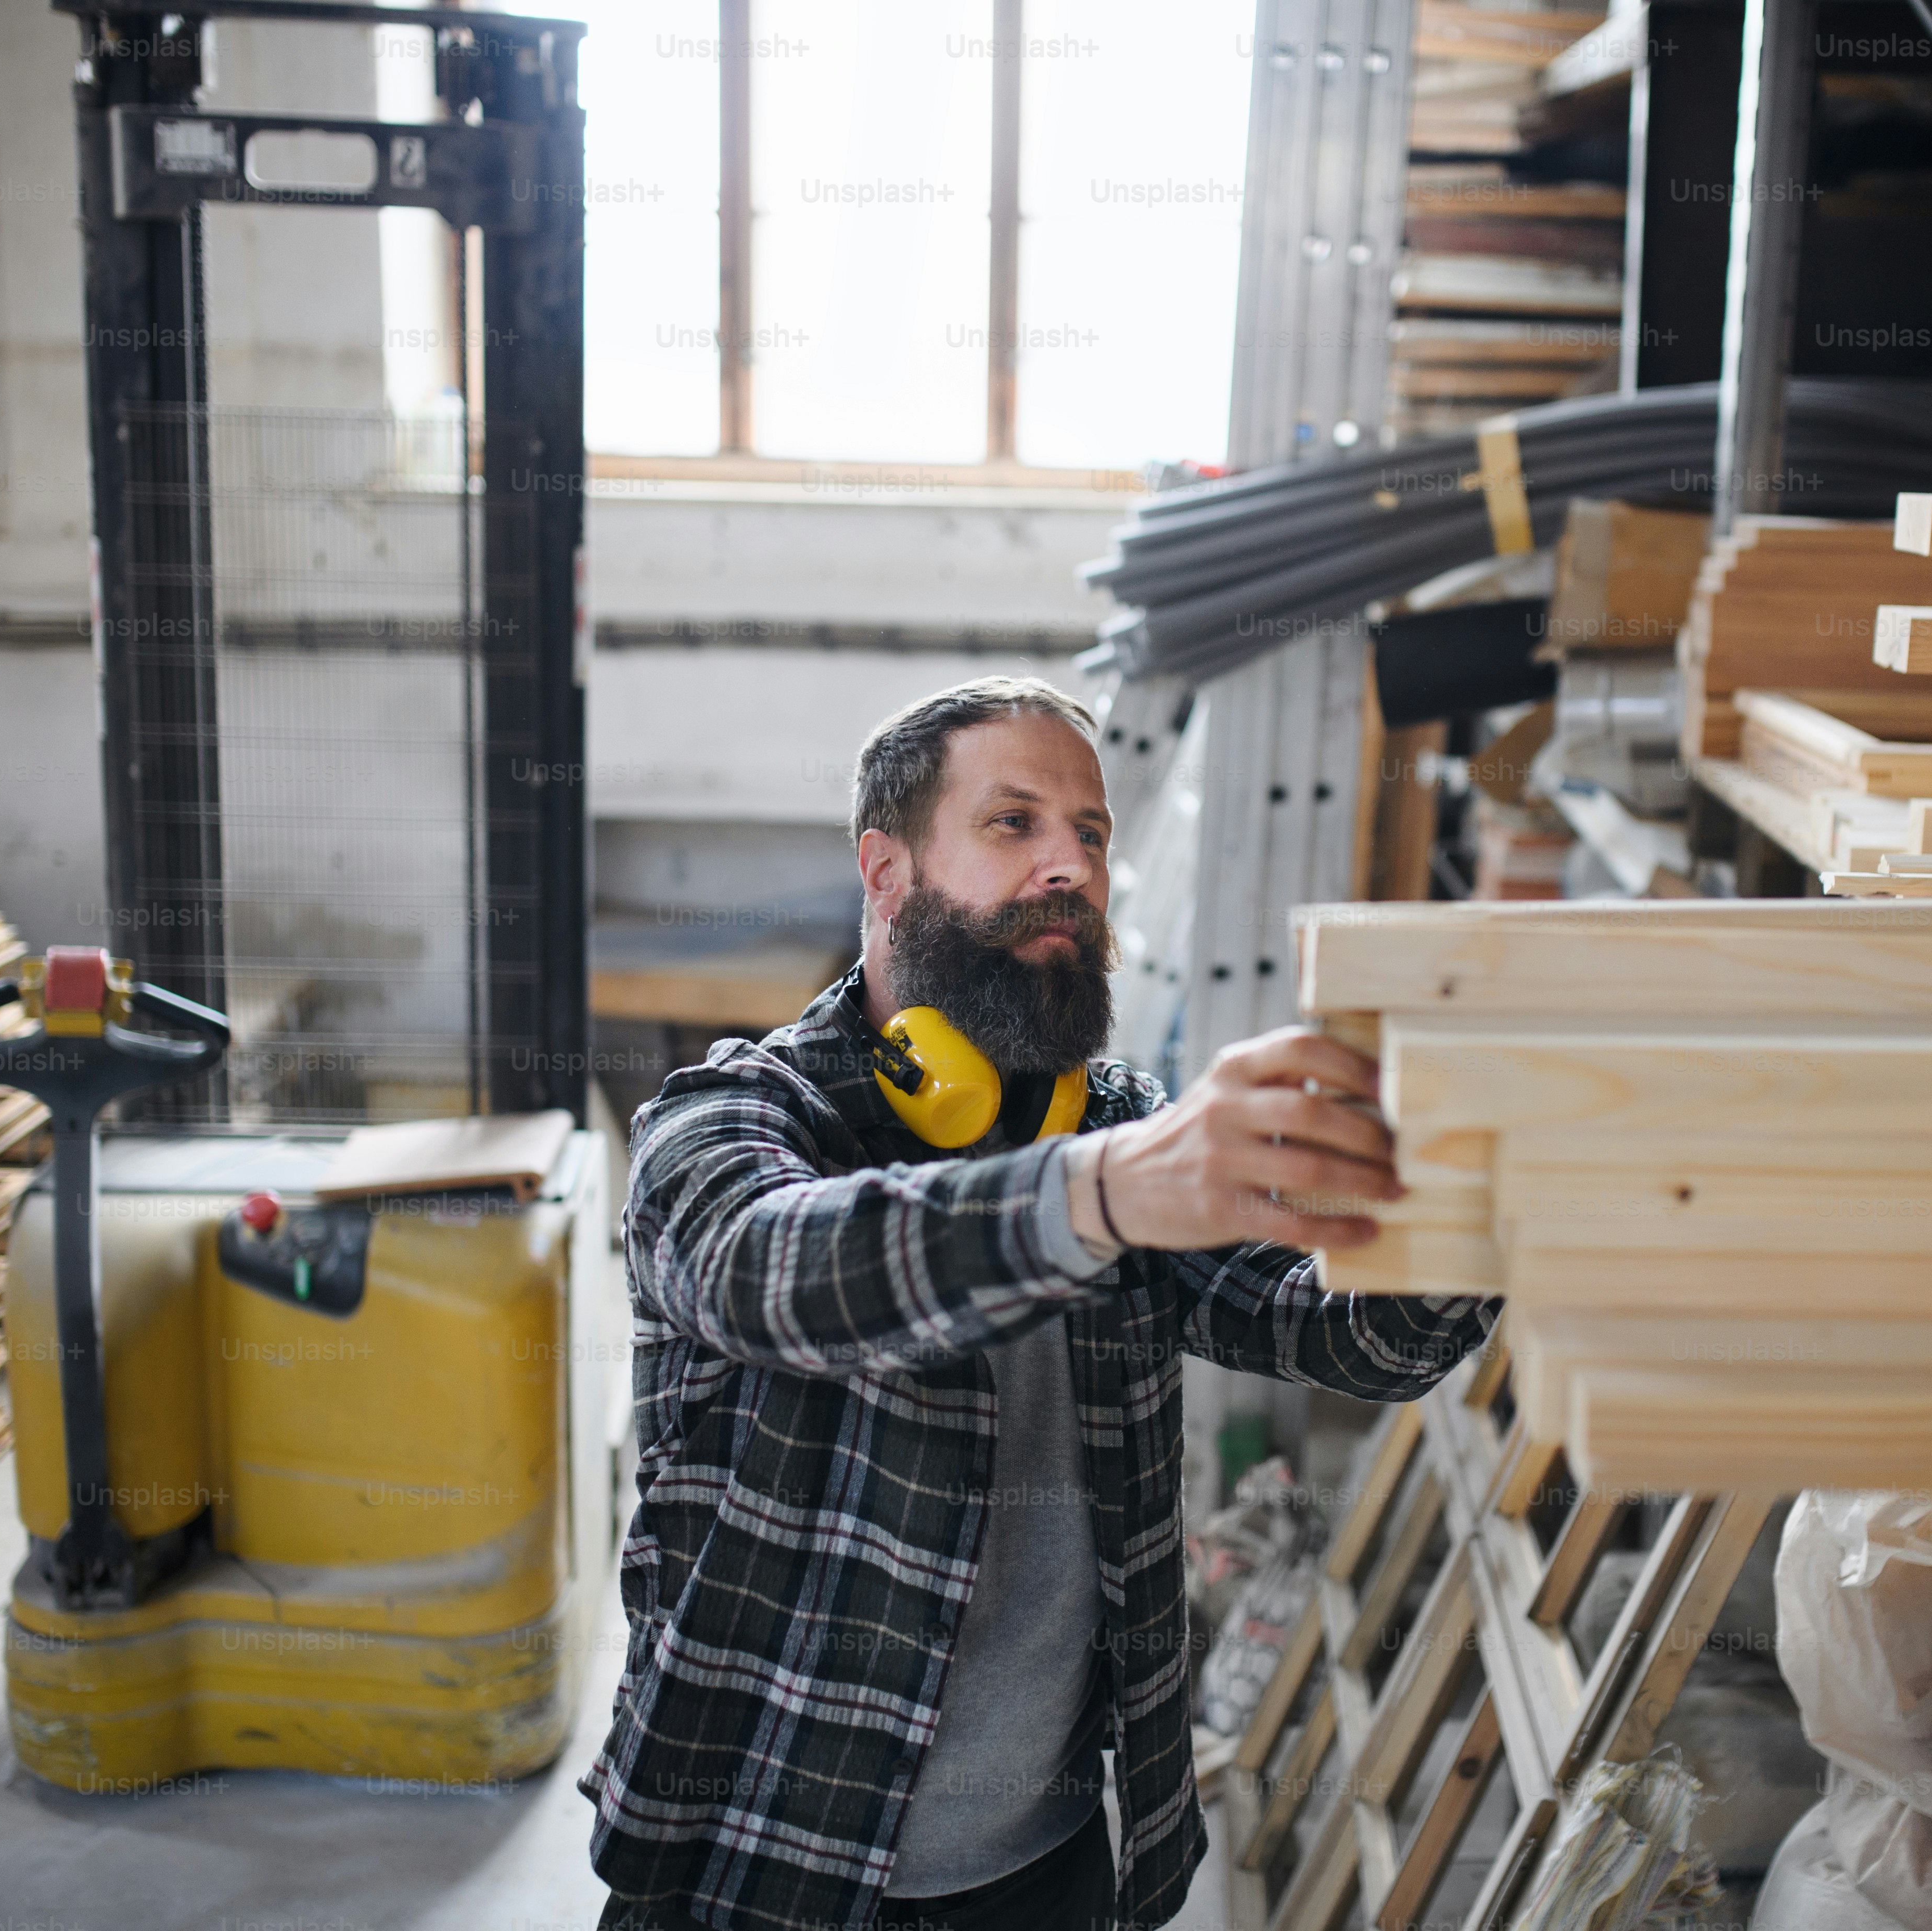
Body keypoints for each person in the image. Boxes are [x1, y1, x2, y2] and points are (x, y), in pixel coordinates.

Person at [584, 677, 1495, 1931]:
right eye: (1013, 823)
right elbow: (769, 1275)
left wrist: (1479, 1188)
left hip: (1060, 1862)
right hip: (773, 1854)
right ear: (888, 870)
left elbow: (1349, 1335)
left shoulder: (1106, 1117)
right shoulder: (734, 1118)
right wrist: (1109, 1190)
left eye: (1093, 831)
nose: (1071, 862)